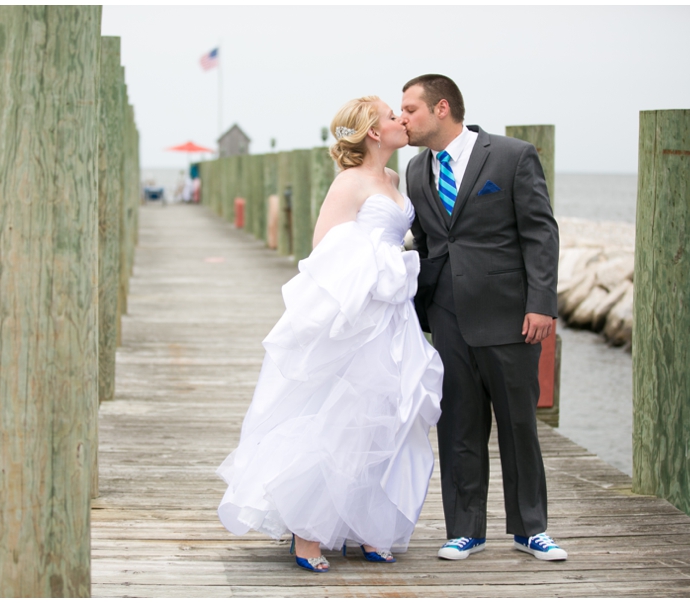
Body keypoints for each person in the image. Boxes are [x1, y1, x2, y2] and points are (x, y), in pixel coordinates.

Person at [217, 96, 444, 573]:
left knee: (386, 414)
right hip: (358, 311)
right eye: (390, 115)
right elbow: (325, 248)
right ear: (375, 133)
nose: (400, 119)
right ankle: (308, 531)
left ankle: (368, 526)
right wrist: (379, 265)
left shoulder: (395, 179)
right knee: (340, 414)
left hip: (394, 314)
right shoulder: (349, 183)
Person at [400, 74, 567, 562]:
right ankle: (465, 529)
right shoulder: (414, 170)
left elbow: (540, 233)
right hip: (447, 317)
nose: (403, 117)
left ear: (442, 107)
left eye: (410, 109)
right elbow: (430, 244)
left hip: (511, 317)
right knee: (459, 427)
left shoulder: (512, 156)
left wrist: (542, 302)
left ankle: (531, 528)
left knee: (519, 426)